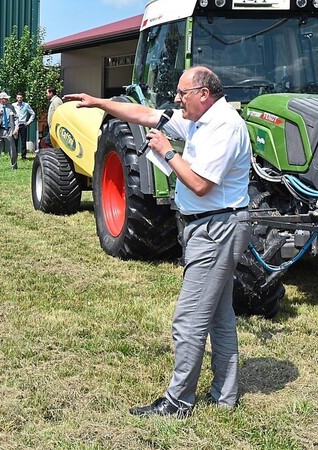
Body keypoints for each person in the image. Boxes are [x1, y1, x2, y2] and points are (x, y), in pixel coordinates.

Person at [64, 66, 251, 418]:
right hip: (210, 226)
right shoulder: (200, 119)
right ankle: (224, 396)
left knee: (189, 320)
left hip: (216, 230)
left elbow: (200, 185)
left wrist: (167, 152)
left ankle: (178, 402)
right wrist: (99, 102)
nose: (177, 99)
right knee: (219, 316)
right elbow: (146, 114)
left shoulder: (224, 126)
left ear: (204, 94)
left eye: (183, 93)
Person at [0, 92, 18, 170]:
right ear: (1, 100)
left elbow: (16, 118)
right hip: (0, 130)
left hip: (9, 130)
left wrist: (16, 128)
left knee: (12, 149)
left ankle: (14, 166)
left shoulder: (11, 107)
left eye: (7, 99)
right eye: (5, 99)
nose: (7, 100)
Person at [12, 92, 35, 160]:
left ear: (22, 98)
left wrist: (28, 122)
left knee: (23, 141)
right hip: (15, 124)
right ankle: (14, 155)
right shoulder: (13, 105)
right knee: (15, 140)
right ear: (16, 98)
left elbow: (33, 114)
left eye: (20, 97)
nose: (19, 99)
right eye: (18, 97)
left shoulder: (26, 105)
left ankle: (23, 156)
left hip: (23, 124)